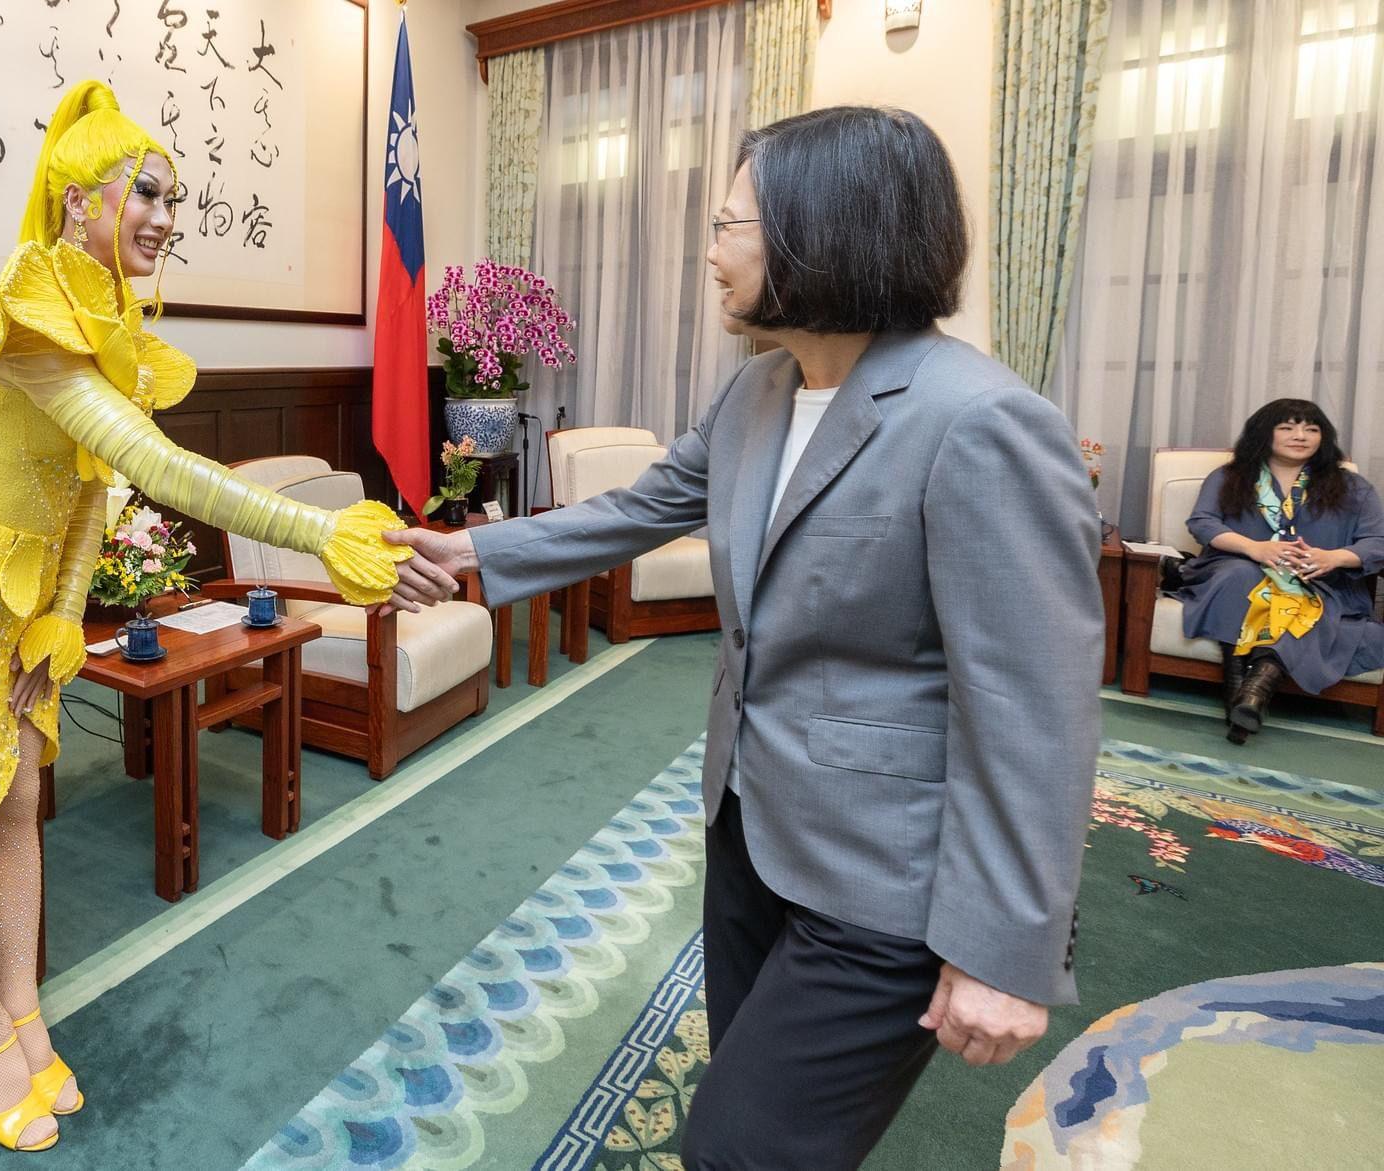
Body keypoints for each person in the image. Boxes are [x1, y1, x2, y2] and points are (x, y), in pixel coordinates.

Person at [381, 107, 1102, 1168]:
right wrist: (470, 556)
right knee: (758, 1104)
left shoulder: (979, 421)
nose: (709, 251)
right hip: (750, 826)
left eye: (729, 224)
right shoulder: (759, 388)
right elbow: (637, 508)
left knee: (734, 1147)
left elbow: (1033, 707)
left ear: (826, 233)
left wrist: (1004, 947)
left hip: (885, 879)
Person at [0, 81, 408, 1153]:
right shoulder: (31, 313)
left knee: (13, 809)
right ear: (78, 197)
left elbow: (93, 494)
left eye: (173, 196)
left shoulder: (102, 318)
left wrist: (62, 618)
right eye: (146, 192)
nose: (165, 217)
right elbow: (148, 462)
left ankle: (24, 1018)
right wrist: (320, 535)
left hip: (22, 603)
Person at [1173, 399, 1384, 743]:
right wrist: (1254, 547)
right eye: (1287, 427)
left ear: (1323, 437)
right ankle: (1240, 691)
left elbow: (1377, 541)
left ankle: (1251, 694)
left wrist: (1334, 558)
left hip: (1320, 584)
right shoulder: (1230, 476)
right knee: (1237, 577)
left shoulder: (1353, 487)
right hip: (1237, 570)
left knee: (1314, 605)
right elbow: (1202, 523)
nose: (1300, 436)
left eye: (1311, 429)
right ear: (1264, 433)